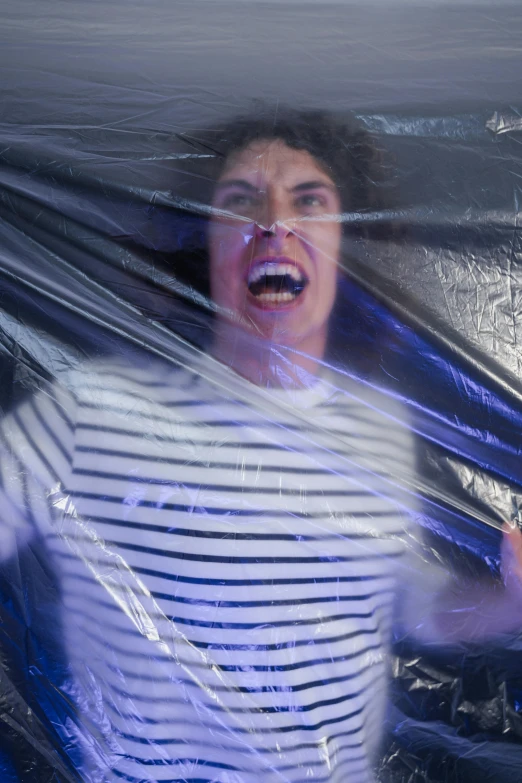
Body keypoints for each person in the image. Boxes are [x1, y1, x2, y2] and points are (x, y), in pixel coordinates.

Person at [0, 107, 521, 783]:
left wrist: (510, 598)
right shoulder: (93, 410)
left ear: (351, 247)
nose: (274, 223)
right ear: (200, 245)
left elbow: (415, 604)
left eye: (310, 201)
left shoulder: (377, 425)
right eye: (239, 202)